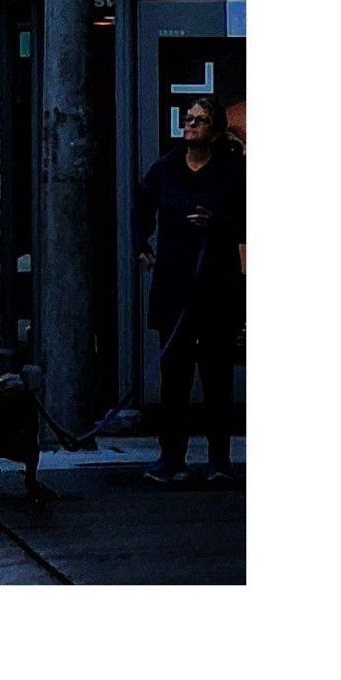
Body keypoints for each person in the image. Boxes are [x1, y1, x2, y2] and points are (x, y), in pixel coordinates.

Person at [135, 93, 245, 485]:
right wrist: (142, 245)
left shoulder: (233, 170)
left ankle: (219, 459)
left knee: (216, 376)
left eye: (199, 120)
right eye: (188, 118)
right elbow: (141, 204)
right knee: (174, 377)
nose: (190, 125)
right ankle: (172, 458)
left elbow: (248, 217)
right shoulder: (166, 169)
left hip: (216, 286)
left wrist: (216, 222)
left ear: (214, 129)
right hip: (175, 286)